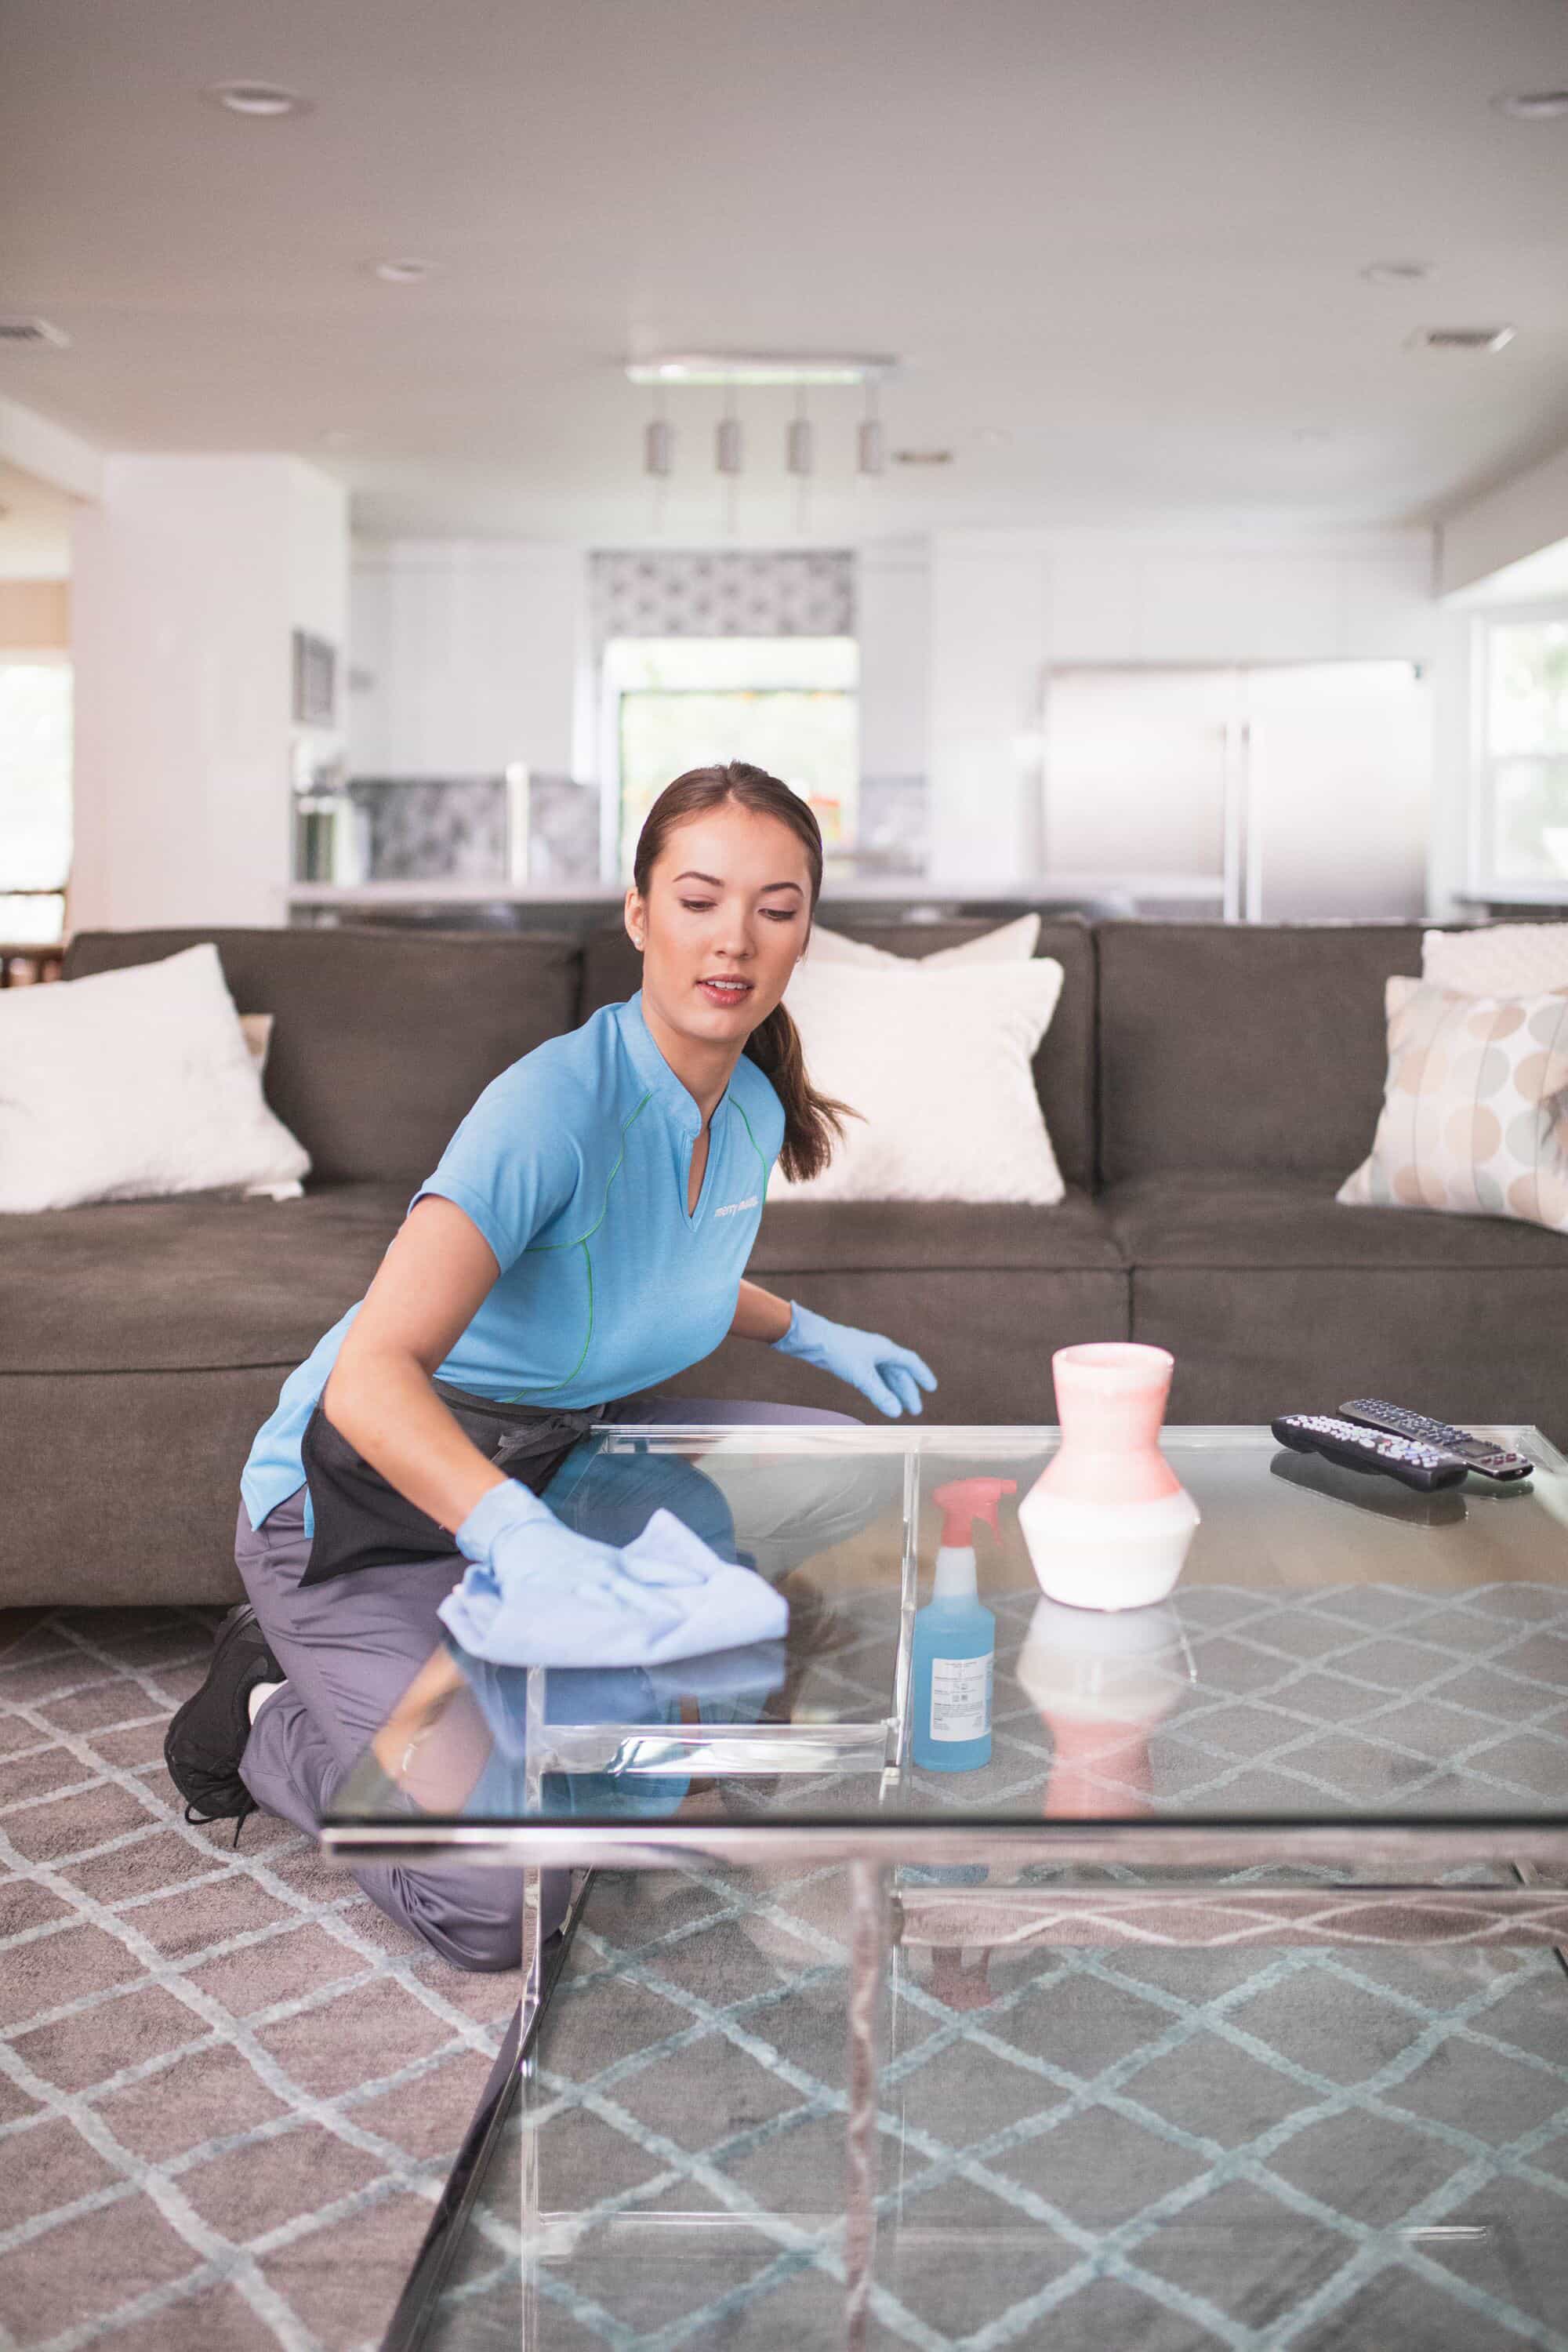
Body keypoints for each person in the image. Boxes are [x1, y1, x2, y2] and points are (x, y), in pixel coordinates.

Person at [164, 761, 937, 1970]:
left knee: (811, 1518)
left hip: (550, 1460)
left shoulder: (747, 1103)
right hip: (361, 1495)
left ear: (805, 934)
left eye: (775, 909)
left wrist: (811, 1333)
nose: (734, 938)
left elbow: (653, 1274)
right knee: (498, 1900)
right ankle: (268, 1707)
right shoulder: (551, 1109)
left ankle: (501, 1687)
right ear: (639, 916)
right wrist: (516, 1538)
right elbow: (372, 1379)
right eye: (698, 899)